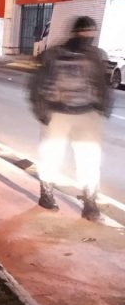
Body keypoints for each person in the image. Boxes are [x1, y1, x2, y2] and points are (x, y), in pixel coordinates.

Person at [28, 15, 113, 220]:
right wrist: (41, 110)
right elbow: (36, 83)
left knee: (89, 160)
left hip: (87, 114)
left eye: (91, 32)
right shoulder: (53, 55)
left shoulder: (96, 55)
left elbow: (102, 83)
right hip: (58, 113)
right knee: (51, 156)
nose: (88, 36)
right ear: (75, 33)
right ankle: (47, 194)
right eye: (84, 32)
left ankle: (90, 202)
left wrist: (103, 106)